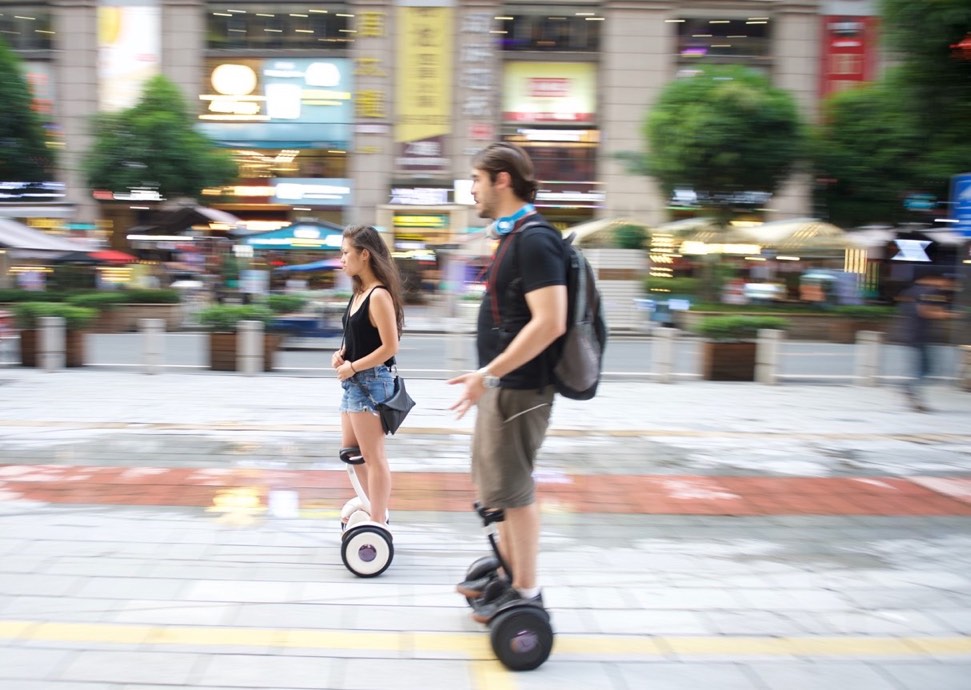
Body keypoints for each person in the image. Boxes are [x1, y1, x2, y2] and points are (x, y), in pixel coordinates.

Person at [448, 142, 568, 623]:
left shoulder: (535, 239)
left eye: (477, 179)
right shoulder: (515, 237)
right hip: (505, 388)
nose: (472, 189)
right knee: (498, 489)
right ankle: (513, 576)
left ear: (502, 180)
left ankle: (528, 592)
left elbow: (550, 321)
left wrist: (488, 373)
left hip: (519, 387)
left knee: (515, 493)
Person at [332, 225, 405, 525]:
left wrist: (353, 366)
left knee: (374, 458)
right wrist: (342, 353)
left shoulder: (378, 295)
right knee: (352, 452)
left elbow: (390, 346)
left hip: (373, 382)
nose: (342, 260)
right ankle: (375, 508)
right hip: (354, 383)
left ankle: (377, 522)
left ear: (365, 254)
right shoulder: (359, 293)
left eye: (346, 253)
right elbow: (358, 336)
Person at [897, 273, 958, 412]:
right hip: (919, 336)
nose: (949, 286)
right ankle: (910, 388)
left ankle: (911, 390)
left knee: (924, 368)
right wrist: (949, 315)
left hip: (912, 335)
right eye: (949, 283)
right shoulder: (929, 291)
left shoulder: (913, 290)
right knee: (927, 369)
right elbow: (924, 311)